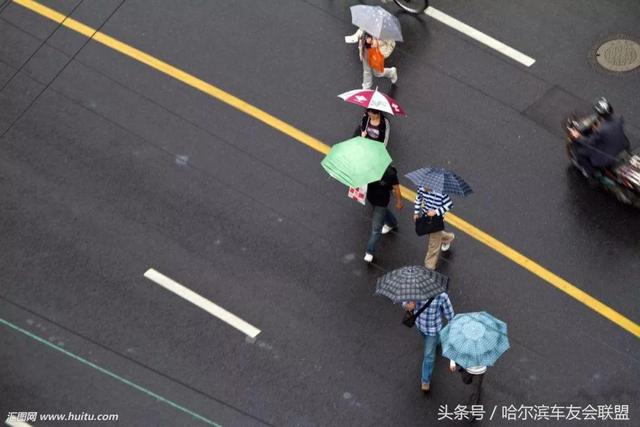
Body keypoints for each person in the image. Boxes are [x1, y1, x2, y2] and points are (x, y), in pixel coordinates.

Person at [403, 292, 455, 392]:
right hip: (419, 325)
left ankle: (425, 381)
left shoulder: (442, 296)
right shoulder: (414, 290)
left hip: (433, 331)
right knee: (433, 343)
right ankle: (438, 341)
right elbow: (404, 303)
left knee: (429, 356)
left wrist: (453, 331)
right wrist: (407, 305)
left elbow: (450, 316)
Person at [569, 97, 630, 176]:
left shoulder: (601, 130)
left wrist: (578, 136)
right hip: (623, 147)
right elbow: (611, 129)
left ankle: (589, 172)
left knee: (580, 152)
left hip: (607, 158)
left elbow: (589, 142)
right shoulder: (619, 118)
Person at [364, 165, 403, 263]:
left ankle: (369, 251)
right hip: (374, 199)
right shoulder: (371, 167)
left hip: (380, 202)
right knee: (381, 213)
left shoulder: (388, 173)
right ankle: (392, 223)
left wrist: (399, 201)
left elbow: (396, 188)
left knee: (376, 229)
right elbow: (396, 188)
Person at [413, 186, 454, 270]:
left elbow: (449, 204)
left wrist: (436, 212)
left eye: (426, 186)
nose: (424, 188)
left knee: (433, 245)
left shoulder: (441, 192)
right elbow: (418, 198)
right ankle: (448, 238)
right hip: (426, 217)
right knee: (433, 235)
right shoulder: (421, 188)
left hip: (437, 220)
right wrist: (416, 213)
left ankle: (429, 266)